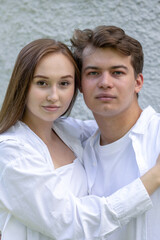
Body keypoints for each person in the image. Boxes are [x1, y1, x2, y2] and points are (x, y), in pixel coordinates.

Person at [0, 38, 159, 240]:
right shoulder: (12, 151)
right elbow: (72, 222)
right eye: (42, 83)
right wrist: (154, 177)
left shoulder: (70, 132)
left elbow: (118, 127)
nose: (54, 96)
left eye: (64, 83)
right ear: (22, 85)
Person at [71, 25, 160, 239]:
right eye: (93, 73)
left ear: (138, 82)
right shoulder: (79, 150)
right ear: (81, 85)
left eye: (117, 72)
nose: (105, 83)